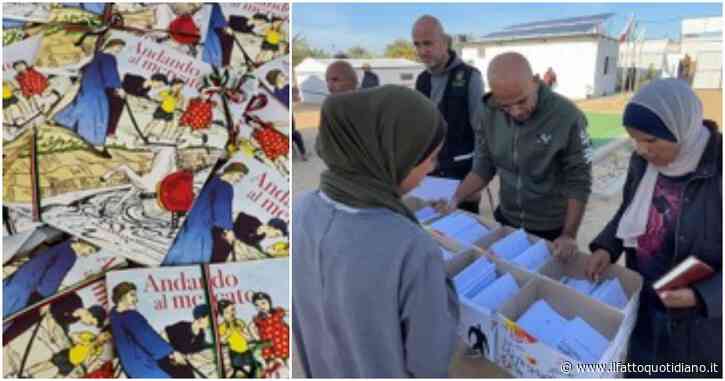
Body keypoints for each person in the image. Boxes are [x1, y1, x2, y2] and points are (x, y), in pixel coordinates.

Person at [292, 85, 458, 377]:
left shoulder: (301, 210)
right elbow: (429, 362)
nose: (432, 169)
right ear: (394, 155)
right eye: (429, 158)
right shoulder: (411, 247)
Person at [585, 79, 721, 377]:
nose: (641, 150)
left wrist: (701, 296)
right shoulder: (642, 162)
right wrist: (608, 247)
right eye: (634, 139)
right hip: (643, 298)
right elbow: (629, 211)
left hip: (694, 324)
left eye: (650, 140)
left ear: (680, 128)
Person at [449, 52, 592, 259]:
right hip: (506, 218)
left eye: (522, 101)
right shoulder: (487, 112)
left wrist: (569, 234)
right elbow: (483, 167)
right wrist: (454, 199)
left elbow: (579, 180)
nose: (515, 112)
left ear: (535, 81)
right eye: (505, 106)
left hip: (550, 228)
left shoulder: (567, 116)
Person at [412, 15, 485, 213]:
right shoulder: (422, 80)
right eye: (417, 44)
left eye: (428, 43)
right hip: (430, 177)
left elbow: (482, 133)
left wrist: (477, 181)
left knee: (461, 238)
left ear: (444, 42)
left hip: (462, 178)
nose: (421, 51)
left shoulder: (471, 77)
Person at [162, 162, 248, 265]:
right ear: (233, 171)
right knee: (196, 257)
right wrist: (228, 230)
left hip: (189, 221)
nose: (239, 180)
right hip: (202, 225)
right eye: (240, 176)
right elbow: (221, 208)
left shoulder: (212, 179)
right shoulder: (226, 187)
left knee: (178, 251)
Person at [54, 39, 126, 151]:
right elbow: (111, 74)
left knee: (81, 102)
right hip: (97, 86)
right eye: (119, 48)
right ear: (112, 46)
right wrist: (119, 88)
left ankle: (64, 121)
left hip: (87, 83)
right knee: (98, 109)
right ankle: (91, 138)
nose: (119, 51)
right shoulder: (109, 58)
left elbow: (83, 68)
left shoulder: (96, 55)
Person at [3, 239, 98, 319]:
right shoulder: (70, 256)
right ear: (85, 242)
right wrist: (45, 300)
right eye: (90, 250)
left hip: (20, 277)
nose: (87, 254)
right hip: (23, 288)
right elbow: (52, 279)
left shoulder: (62, 243)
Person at [110, 282, 186, 378]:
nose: (136, 299)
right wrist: (172, 352)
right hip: (142, 364)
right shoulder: (130, 316)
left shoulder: (113, 315)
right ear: (122, 296)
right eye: (132, 295)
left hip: (129, 366)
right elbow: (148, 338)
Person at [162, 304, 213, 378]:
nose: (212, 322)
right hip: (167, 363)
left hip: (182, 367)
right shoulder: (182, 326)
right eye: (210, 319)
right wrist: (172, 352)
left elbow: (200, 347)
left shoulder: (201, 335)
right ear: (200, 319)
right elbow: (162, 336)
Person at [217, 299, 259, 378]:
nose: (231, 313)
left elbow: (249, 338)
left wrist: (242, 333)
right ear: (222, 315)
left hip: (246, 351)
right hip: (235, 352)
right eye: (227, 312)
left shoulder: (240, 322)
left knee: (253, 369)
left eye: (232, 310)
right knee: (239, 372)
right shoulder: (222, 327)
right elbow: (222, 341)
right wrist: (227, 334)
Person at [251, 292, 289, 373]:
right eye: (257, 305)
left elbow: (289, 312)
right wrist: (257, 337)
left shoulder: (277, 312)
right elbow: (251, 327)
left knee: (287, 362)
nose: (261, 307)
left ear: (269, 302)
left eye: (263, 303)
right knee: (274, 364)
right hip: (271, 345)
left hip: (283, 342)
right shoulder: (258, 318)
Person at [291, 86, 308, 161]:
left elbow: (298, 100)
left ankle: (303, 153)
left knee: (297, 135)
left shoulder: (294, 102)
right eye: (295, 93)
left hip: (292, 129)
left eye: (297, 93)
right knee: (296, 135)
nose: (297, 95)